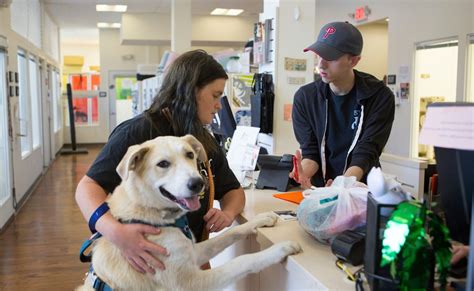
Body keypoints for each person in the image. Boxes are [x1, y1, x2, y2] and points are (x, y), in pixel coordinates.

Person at [75, 50, 245, 274]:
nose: (219, 106)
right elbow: (87, 188)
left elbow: (233, 190)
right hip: (142, 267)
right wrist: (116, 233)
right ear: (192, 92)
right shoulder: (137, 132)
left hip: (186, 264)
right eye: (215, 96)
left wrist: (228, 213)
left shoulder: (201, 140)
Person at [290, 21, 395, 188]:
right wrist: (299, 174)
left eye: (330, 57)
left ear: (353, 61)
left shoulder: (379, 96)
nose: (320, 64)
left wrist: (343, 185)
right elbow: (311, 152)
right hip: (319, 190)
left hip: (361, 189)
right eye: (318, 55)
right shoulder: (305, 97)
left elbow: (367, 151)